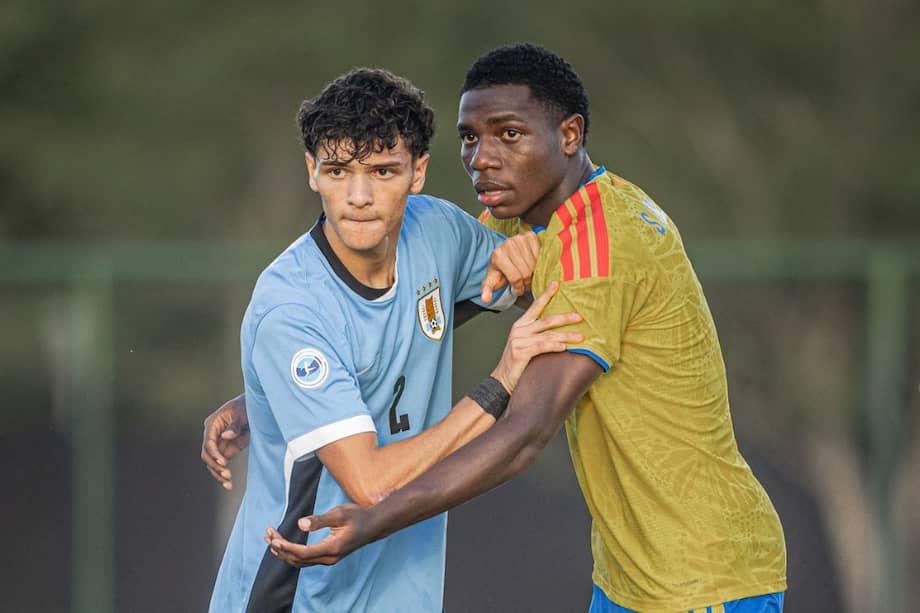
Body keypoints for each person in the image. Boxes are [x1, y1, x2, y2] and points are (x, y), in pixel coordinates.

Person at [265, 44, 789, 613]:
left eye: (509, 134)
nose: (482, 157)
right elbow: (417, 317)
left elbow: (524, 435)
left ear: (569, 135)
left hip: (704, 578)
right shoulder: (522, 218)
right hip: (630, 579)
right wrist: (276, 389)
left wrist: (373, 520)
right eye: (470, 138)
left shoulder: (599, 248)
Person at [205, 67, 583, 613]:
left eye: (383, 170)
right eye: (338, 170)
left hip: (403, 589)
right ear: (312, 171)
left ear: (418, 172)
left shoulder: (437, 230)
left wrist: (529, 252)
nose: (359, 196)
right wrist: (502, 381)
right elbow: (370, 483)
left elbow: (533, 282)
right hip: (298, 599)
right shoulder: (290, 308)